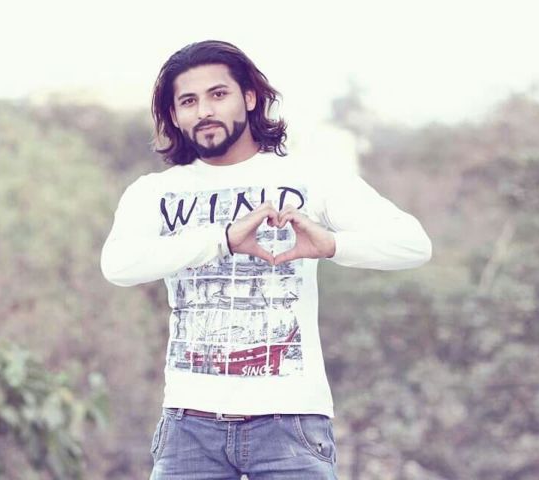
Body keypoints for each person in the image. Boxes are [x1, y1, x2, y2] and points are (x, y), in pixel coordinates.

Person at [100, 40, 432, 480]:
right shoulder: (154, 192)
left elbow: (413, 244)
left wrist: (331, 245)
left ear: (250, 97)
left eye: (218, 94)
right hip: (188, 426)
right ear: (175, 116)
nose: (204, 111)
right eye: (188, 101)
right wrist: (222, 239)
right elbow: (118, 265)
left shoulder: (309, 176)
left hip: (290, 423)